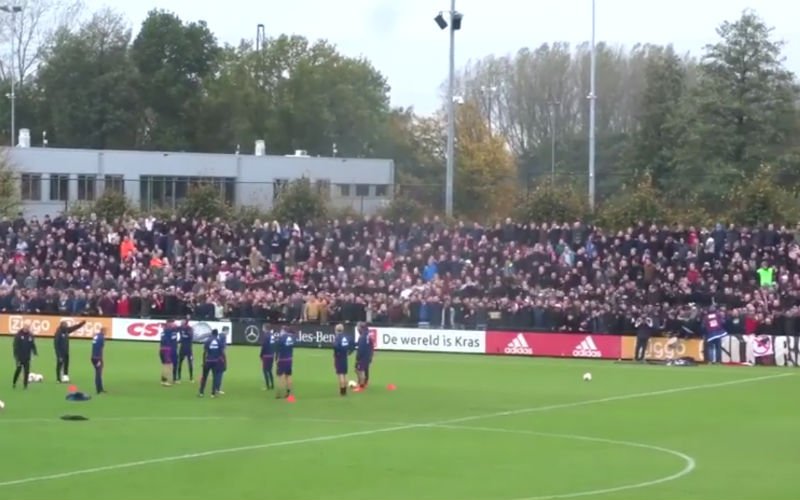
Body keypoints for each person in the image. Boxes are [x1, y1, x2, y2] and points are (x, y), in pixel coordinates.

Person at [198, 329, 224, 398]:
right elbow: (221, 353)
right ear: (217, 334)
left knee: (204, 377)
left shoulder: (207, 341)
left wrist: (203, 362)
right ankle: (213, 393)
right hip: (216, 362)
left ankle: (201, 392)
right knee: (215, 377)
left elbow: (204, 352)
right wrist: (222, 362)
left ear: (211, 334)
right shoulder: (219, 341)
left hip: (208, 361)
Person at [333, 324, 354, 396]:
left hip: (339, 357)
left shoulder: (337, 338)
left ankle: (342, 391)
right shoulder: (346, 337)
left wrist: (336, 355)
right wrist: (349, 352)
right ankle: (345, 390)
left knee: (340, 374)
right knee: (344, 374)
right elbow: (352, 344)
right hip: (345, 357)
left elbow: (335, 347)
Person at [275, 327, 295, 399]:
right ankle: (289, 393)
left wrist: (276, 360)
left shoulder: (280, 339)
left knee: (280, 376)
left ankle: (278, 393)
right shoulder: (291, 338)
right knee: (288, 376)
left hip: (282, 359)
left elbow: (277, 350)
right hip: (289, 359)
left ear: (283, 331)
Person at [354, 322, 372, 391]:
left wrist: (358, 358)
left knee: (359, 370)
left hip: (362, 356)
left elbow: (361, 348)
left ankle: (361, 386)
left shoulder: (362, 337)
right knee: (362, 370)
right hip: (367, 355)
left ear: (361, 328)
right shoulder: (366, 334)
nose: (357, 329)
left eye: (358, 327)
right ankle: (363, 383)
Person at [260, 325, 277, 391]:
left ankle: (267, 386)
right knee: (269, 370)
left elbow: (263, 346)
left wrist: (261, 355)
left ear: (265, 328)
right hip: (271, 355)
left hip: (266, 355)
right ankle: (272, 385)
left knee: (265, 371)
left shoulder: (265, 336)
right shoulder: (272, 335)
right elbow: (275, 345)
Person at [91, 327, 107, 394]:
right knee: (98, 373)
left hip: (93, 357)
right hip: (97, 358)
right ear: (103, 331)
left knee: (98, 373)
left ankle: (101, 388)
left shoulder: (96, 336)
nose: (106, 333)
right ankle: (99, 390)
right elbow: (100, 348)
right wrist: (100, 359)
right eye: (105, 331)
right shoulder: (101, 338)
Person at [217, 326, 229, 394]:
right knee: (220, 373)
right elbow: (223, 348)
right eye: (228, 331)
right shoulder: (223, 336)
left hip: (216, 356)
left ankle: (216, 388)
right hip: (221, 357)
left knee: (216, 373)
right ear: (226, 330)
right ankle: (218, 389)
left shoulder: (219, 335)